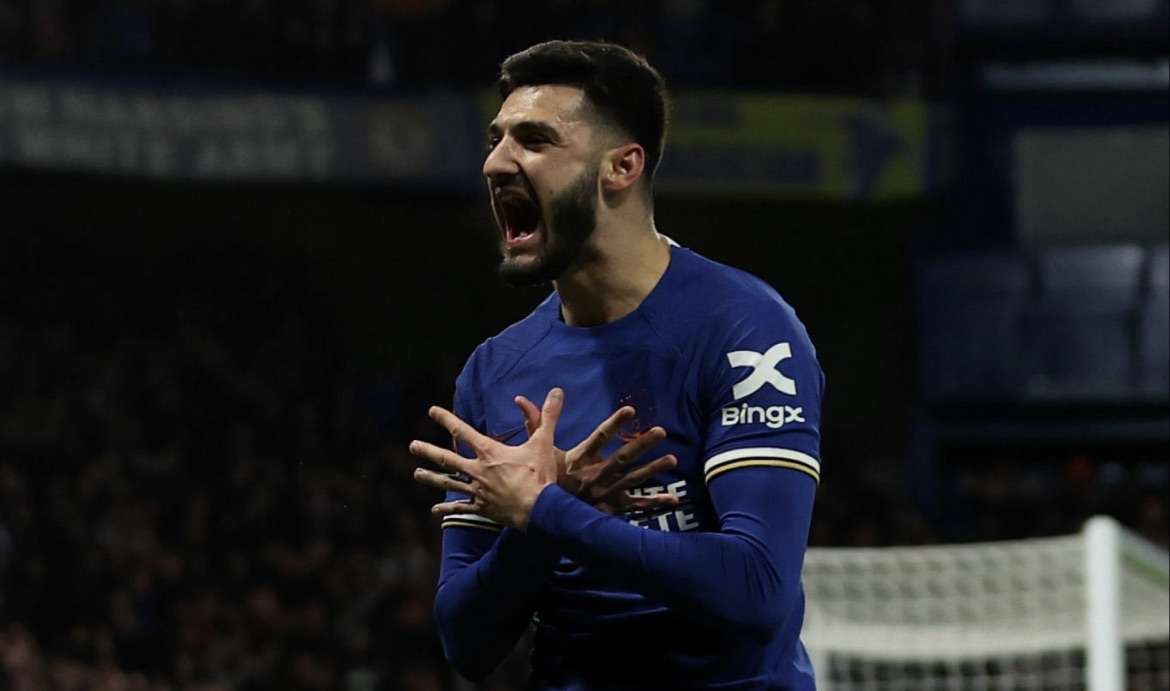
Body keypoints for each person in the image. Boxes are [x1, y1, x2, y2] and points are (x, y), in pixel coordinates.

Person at [409, 39, 824, 690]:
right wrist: (537, 528)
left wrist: (548, 512)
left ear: (622, 167)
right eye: (496, 140)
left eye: (534, 140)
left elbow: (756, 588)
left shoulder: (744, 328)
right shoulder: (496, 370)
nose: (495, 162)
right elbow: (467, 642)